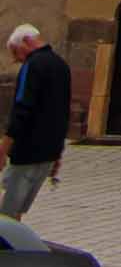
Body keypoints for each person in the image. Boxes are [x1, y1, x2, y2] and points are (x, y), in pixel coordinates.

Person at [0, 25, 70, 221]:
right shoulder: (61, 65)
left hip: (27, 151)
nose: (16, 59)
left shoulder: (33, 65)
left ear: (27, 42)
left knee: (7, 212)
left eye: (16, 52)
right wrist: (58, 152)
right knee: (18, 210)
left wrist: (3, 149)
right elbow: (63, 112)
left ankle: (7, 250)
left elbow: (21, 109)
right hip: (48, 152)